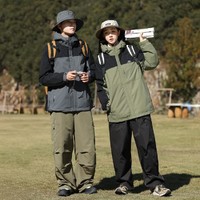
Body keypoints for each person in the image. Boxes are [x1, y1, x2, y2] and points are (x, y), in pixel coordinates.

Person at [95, 20, 171, 197]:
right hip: (117, 113)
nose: (111, 35)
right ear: (103, 36)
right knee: (120, 151)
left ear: (119, 33)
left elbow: (152, 62)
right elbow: (100, 85)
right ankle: (124, 183)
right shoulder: (100, 59)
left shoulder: (131, 50)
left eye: (113, 31)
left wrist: (144, 42)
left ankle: (155, 185)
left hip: (140, 109)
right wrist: (107, 105)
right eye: (107, 33)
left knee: (147, 148)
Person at [39, 10, 97, 197]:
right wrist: (64, 76)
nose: (71, 25)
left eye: (73, 22)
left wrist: (90, 76)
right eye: (67, 22)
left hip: (82, 104)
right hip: (59, 106)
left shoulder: (84, 46)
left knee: (87, 146)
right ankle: (65, 183)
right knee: (62, 146)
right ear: (60, 26)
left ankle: (85, 182)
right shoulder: (50, 48)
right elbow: (44, 77)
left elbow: (94, 70)